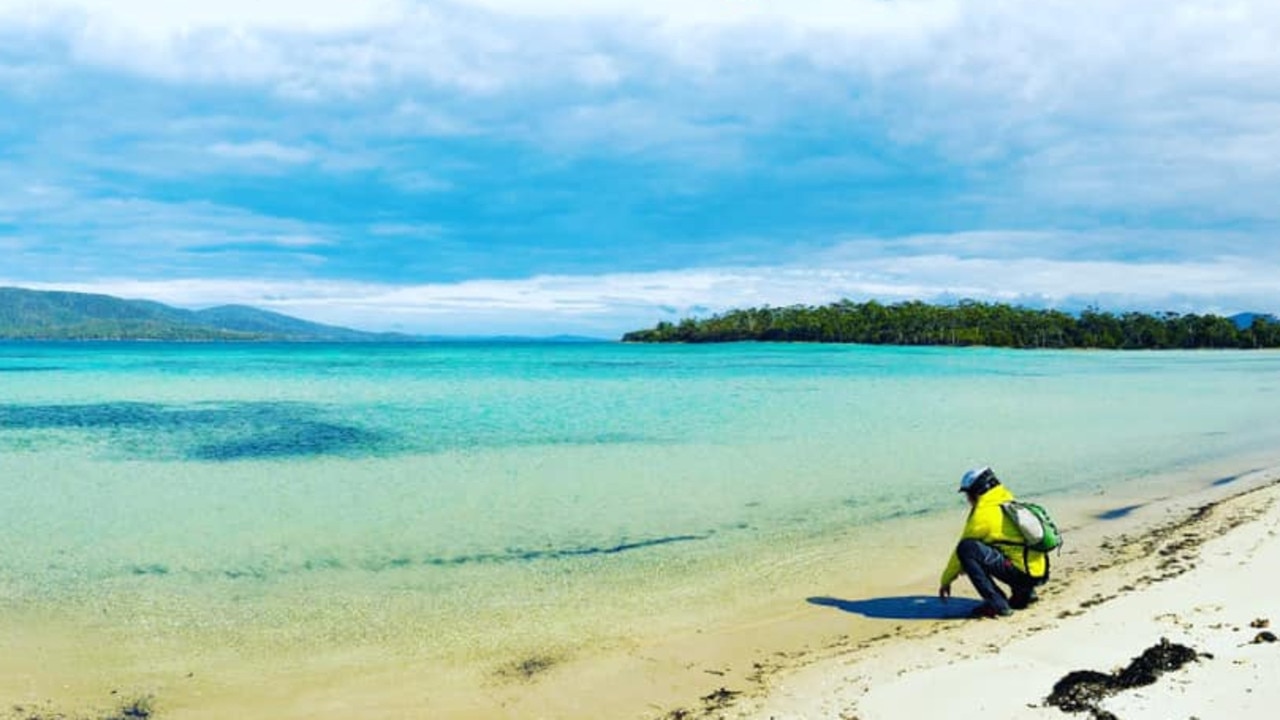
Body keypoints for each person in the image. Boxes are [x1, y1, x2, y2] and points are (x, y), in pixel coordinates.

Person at [938, 466, 1048, 618]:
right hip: (1038, 571)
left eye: (968, 494)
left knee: (967, 548)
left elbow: (960, 553)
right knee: (1004, 546)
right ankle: (1025, 594)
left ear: (977, 491)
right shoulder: (1008, 501)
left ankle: (997, 604)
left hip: (1022, 573)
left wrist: (946, 580)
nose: (967, 499)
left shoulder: (982, 515)